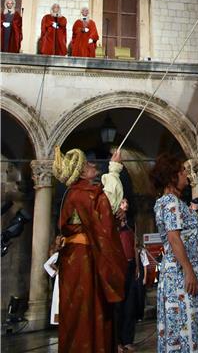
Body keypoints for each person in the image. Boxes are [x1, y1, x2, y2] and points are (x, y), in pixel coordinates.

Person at [53, 146, 127, 353]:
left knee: (85, 308)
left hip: (78, 259)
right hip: (83, 259)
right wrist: (113, 170)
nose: (92, 165)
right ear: (81, 173)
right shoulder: (81, 194)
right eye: (87, 164)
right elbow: (106, 207)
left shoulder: (78, 193)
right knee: (87, 307)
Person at [150, 153, 198, 353]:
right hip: (181, 277)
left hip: (186, 273)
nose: (186, 173)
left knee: (191, 331)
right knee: (185, 332)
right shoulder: (170, 202)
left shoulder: (174, 202)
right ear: (172, 176)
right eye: (182, 171)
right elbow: (173, 238)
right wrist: (189, 271)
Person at [117, 198, 138, 353]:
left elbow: (135, 246)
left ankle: (128, 339)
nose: (126, 205)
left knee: (130, 305)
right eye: (123, 202)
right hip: (118, 267)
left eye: (127, 202)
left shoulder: (131, 223)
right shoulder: (113, 223)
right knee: (118, 306)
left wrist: (137, 265)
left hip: (131, 266)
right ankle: (117, 341)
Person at [43, 235, 63, 325]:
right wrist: (55, 273)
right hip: (61, 279)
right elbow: (46, 264)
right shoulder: (58, 254)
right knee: (59, 300)